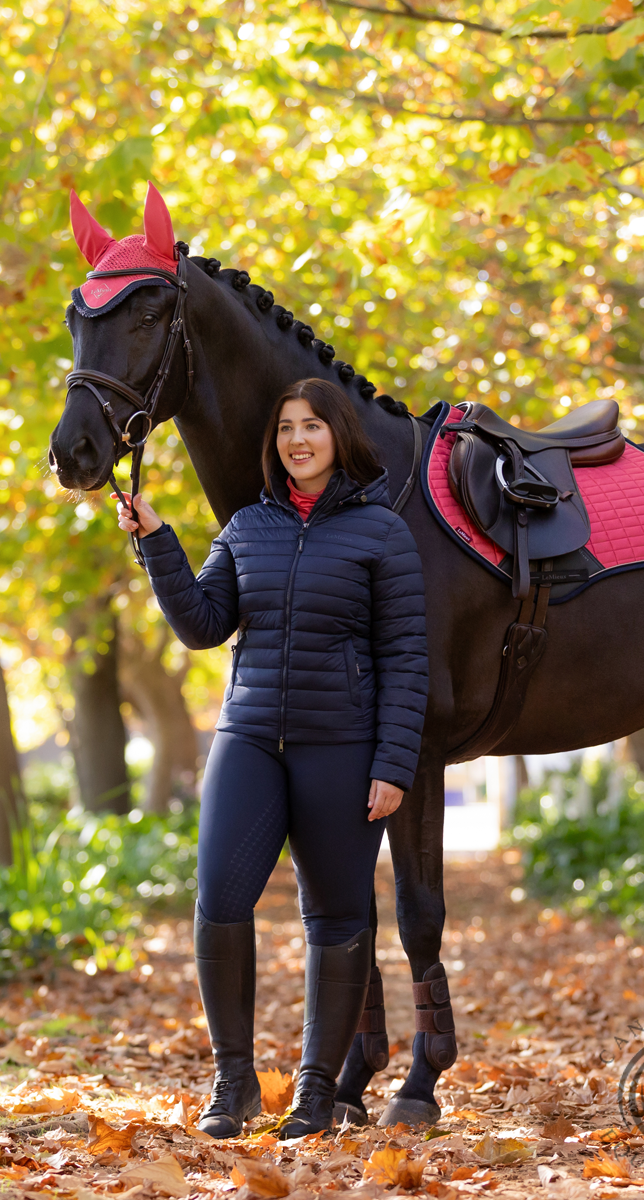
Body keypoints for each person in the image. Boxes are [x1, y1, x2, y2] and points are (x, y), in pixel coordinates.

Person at [117, 378, 428, 1139]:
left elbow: (405, 657)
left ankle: (317, 1090)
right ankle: (235, 1083)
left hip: (342, 746)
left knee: (337, 915)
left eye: (312, 426)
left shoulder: (382, 533)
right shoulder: (246, 527)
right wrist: (156, 540)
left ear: (339, 436)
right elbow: (203, 624)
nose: (297, 440)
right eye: (286, 428)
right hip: (249, 738)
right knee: (220, 900)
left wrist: (393, 764)